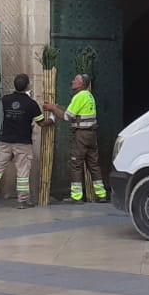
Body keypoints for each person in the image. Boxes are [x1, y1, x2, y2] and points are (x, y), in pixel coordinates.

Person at [0, 73, 52, 210]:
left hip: (6, 141)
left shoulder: (6, 100)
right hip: (23, 143)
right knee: (23, 172)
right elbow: (41, 123)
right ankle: (22, 200)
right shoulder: (31, 104)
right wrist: (52, 118)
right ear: (28, 86)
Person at [45, 73, 105, 204]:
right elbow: (74, 113)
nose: (72, 82)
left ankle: (76, 197)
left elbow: (67, 117)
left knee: (76, 164)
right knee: (94, 165)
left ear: (81, 84)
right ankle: (101, 194)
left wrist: (53, 108)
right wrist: (58, 107)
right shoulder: (89, 96)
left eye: (75, 80)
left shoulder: (79, 96)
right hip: (91, 135)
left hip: (81, 136)